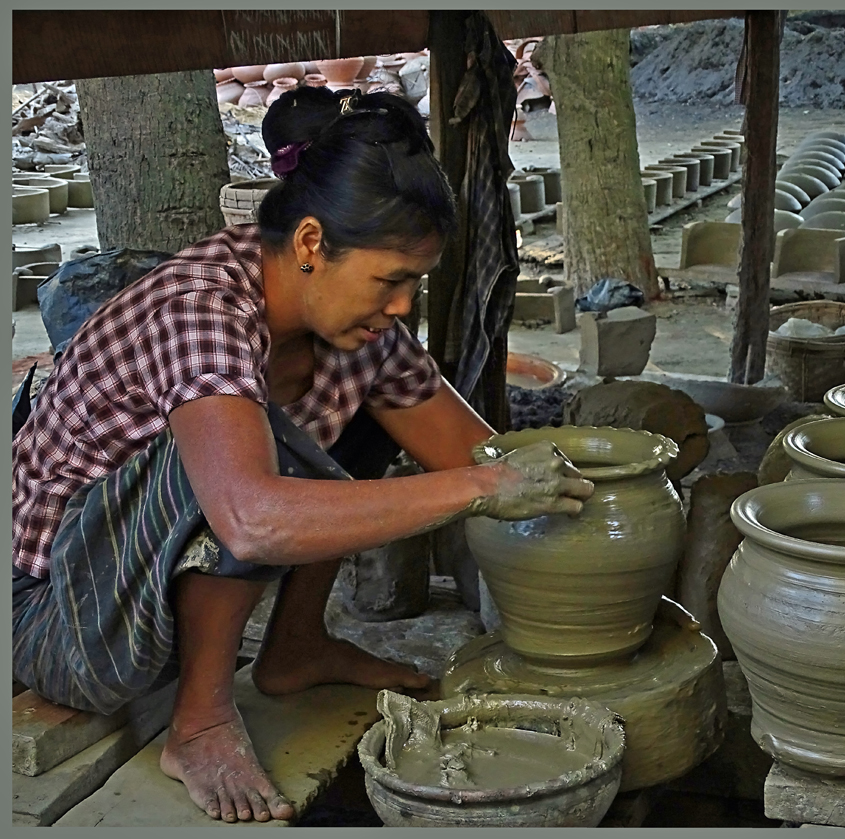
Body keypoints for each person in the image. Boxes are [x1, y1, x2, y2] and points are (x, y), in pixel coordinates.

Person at [11, 87, 593, 823]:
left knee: (369, 415)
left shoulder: (358, 331)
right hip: (61, 617)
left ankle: (294, 647)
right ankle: (200, 723)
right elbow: (252, 519)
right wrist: (484, 487)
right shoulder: (202, 309)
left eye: (416, 283)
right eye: (392, 280)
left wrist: (571, 478)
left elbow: (474, 452)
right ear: (313, 244)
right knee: (255, 462)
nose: (404, 306)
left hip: (148, 600)